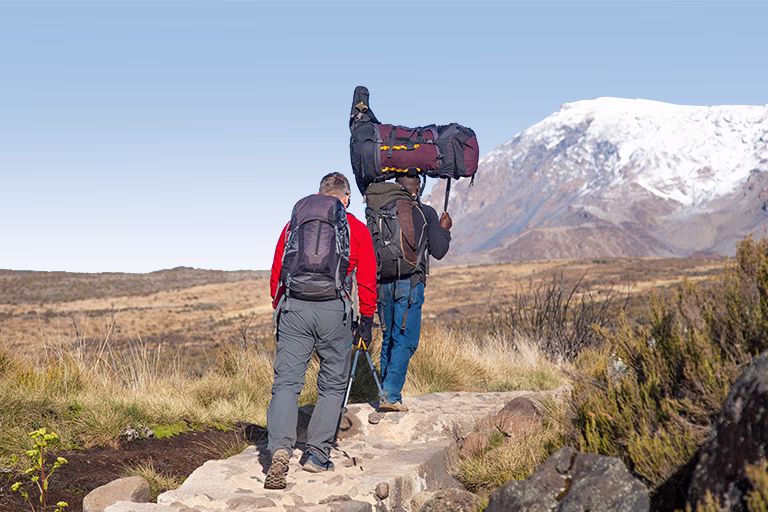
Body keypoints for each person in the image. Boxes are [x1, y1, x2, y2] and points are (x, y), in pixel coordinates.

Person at [265, 172, 377, 489]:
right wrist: (367, 319)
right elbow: (367, 276)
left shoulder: (295, 224)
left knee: (287, 383)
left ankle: (280, 449)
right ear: (346, 198)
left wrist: (279, 308)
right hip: (334, 311)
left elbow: (278, 270)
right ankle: (316, 454)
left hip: (294, 308)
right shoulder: (355, 228)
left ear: (319, 193)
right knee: (332, 385)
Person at [372, 174, 452, 412]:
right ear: (417, 188)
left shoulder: (380, 212)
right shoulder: (425, 213)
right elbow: (438, 251)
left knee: (389, 338)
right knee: (405, 340)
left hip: (383, 283)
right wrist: (444, 230)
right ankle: (390, 395)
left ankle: (385, 391)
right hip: (410, 284)